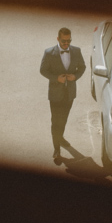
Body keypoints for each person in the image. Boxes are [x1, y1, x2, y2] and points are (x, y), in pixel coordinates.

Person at [40, 27, 86, 163]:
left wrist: (75, 77)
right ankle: (56, 148)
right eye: (63, 41)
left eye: (69, 41)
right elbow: (43, 70)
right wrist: (56, 78)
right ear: (58, 39)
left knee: (64, 118)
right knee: (56, 121)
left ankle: (60, 137)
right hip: (55, 94)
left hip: (69, 93)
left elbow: (82, 67)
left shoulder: (76, 51)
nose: (66, 44)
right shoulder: (49, 53)